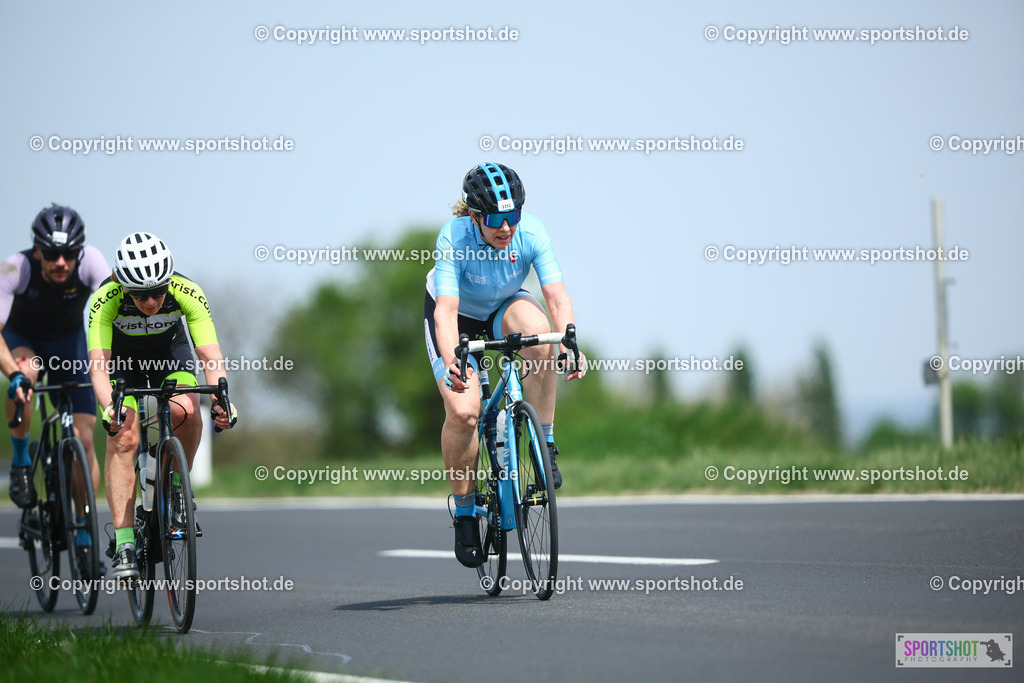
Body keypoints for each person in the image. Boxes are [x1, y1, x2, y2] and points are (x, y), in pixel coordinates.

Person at [424, 162, 587, 568]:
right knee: (464, 413)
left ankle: (543, 443)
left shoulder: (531, 232)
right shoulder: (453, 237)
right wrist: (452, 363)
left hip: (503, 307)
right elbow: (445, 311)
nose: (506, 228)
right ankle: (464, 512)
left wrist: (569, 338)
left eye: (512, 217)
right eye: (496, 219)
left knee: (541, 337)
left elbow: (556, 295)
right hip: (457, 317)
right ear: (475, 216)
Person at [87, 232, 237, 580]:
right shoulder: (104, 299)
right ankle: (124, 540)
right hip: (122, 363)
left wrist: (222, 401)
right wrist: (110, 407)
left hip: (170, 355)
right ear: (122, 285)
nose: (151, 300)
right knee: (123, 436)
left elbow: (210, 357)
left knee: (188, 407)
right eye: (140, 294)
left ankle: (176, 488)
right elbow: (99, 367)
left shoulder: (188, 291)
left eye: (157, 291)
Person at [2, 205, 108, 558]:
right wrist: (14, 373)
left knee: (84, 439)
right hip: (24, 340)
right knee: (26, 374)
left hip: (68, 344)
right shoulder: (15, 267)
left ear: (79, 252)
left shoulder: (92, 261)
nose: (61, 262)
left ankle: (84, 528)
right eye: (51, 254)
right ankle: (20, 464)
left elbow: (113, 311)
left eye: (68, 254)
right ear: (37, 251)